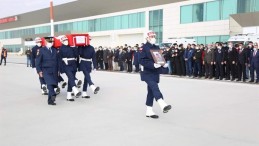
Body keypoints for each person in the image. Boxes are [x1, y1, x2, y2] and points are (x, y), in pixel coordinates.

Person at [139, 30, 171, 119]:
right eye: (151, 36)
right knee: (154, 87)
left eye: (154, 36)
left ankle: (149, 111)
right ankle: (162, 103)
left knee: (151, 92)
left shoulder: (156, 47)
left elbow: (159, 58)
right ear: (147, 38)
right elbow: (142, 60)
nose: (153, 38)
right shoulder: (144, 48)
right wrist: (153, 64)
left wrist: (163, 64)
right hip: (147, 72)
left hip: (155, 72)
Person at [36, 36, 60, 105]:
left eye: (52, 42)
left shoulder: (55, 50)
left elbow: (58, 61)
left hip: (54, 70)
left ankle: (50, 101)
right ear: (46, 42)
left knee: (53, 85)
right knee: (49, 83)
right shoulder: (41, 50)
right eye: (49, 42)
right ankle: (53, 94)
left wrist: (59, 70)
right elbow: (38, 62)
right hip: (45, 70)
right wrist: (39, 71)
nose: (51, 43)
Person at [58, 35, 81, 101]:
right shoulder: (61, 49)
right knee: (71, 77)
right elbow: (59, 59)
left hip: (73, 65)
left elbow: (76, 55)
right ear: (62, 42)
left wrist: (74, 48)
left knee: (70, 79)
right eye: (64, 40)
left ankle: (68, 96)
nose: (66, 41)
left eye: (67, 40)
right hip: (66, 65)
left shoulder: (71, 47)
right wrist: (60, 69)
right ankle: (75, 89)